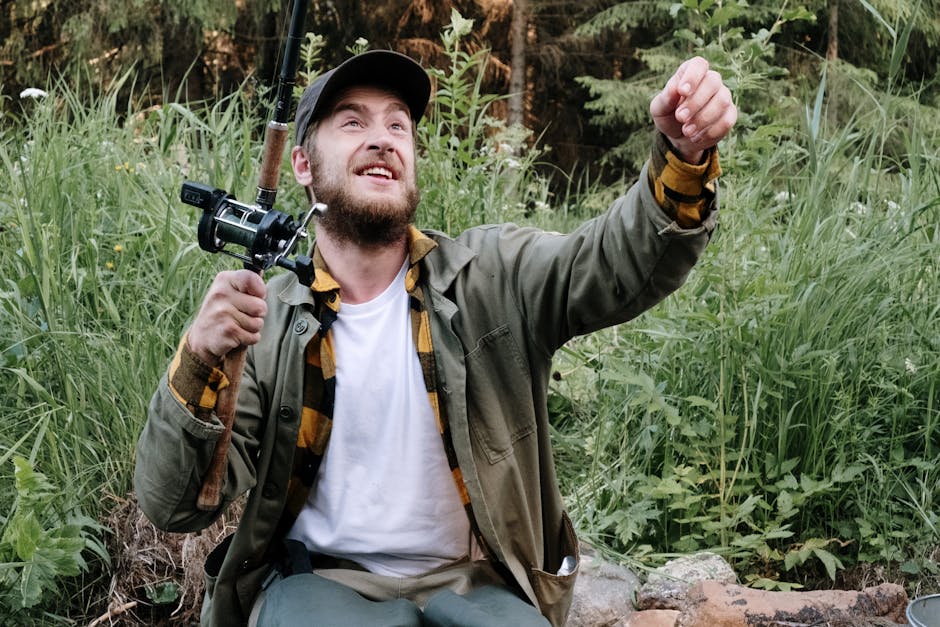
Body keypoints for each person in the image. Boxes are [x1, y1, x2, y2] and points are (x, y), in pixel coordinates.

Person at [135, 49, 736, 627]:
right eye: (352, 123)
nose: (383, 138)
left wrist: (683, 154)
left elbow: (611, 264)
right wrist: (200, 358)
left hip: (475, 585)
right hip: (320, 585)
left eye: (399, 125)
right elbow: (178, 504)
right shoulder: (265, 327)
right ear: (302, 165)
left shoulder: (492, 276)